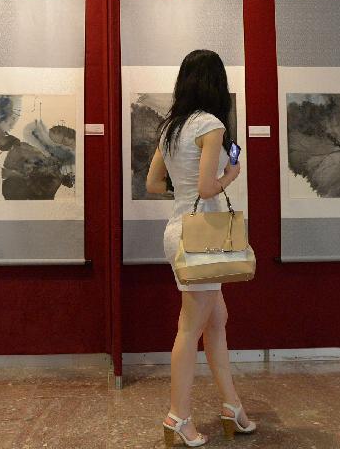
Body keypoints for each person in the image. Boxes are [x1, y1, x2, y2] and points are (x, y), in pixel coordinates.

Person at [146, 49, 257, 446]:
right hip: (203, 235)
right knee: (190, 326)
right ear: (217, 84)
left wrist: (188, 187)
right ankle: (178, 415)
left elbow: (153, 184)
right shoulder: (210, 124)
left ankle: (233, 407)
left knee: (216, 320)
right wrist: (232, 174)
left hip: (180, 230)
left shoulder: (171, 128)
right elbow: (210, 188)